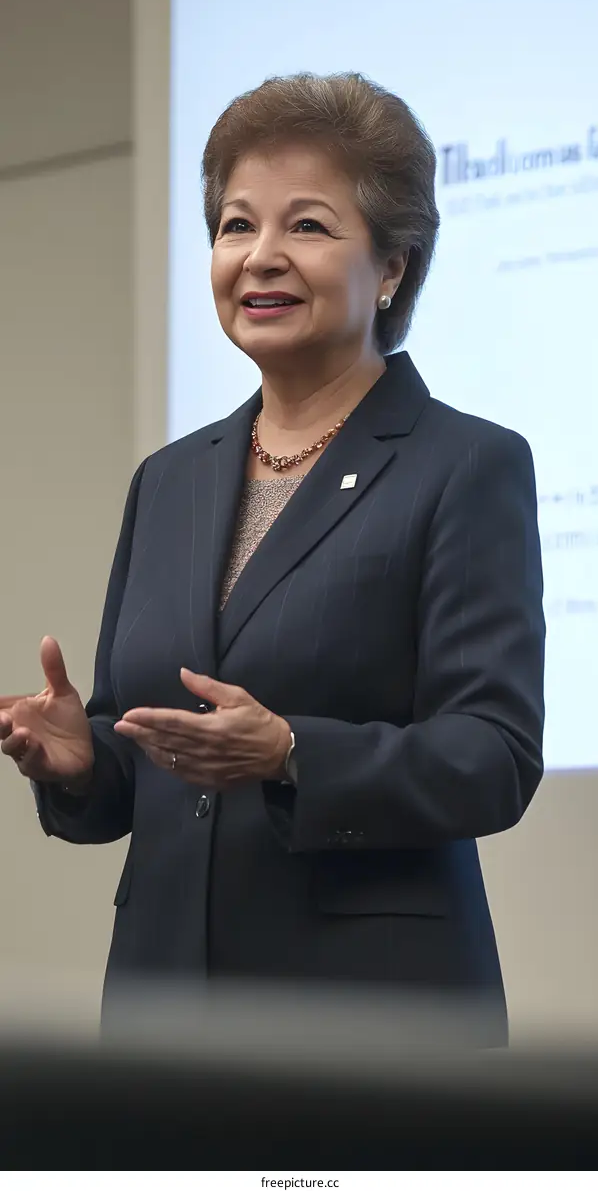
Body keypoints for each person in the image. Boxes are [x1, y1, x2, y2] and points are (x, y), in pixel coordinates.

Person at [0, 73, 544, 1044]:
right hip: (164, 1009)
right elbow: (154, 764)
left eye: (306, 226)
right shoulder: (169, 478)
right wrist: (87, 762)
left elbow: (493, 755)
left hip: (372, 1017)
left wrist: (293, 752)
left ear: (391, 266)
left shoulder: (465, 463)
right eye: (235, 224)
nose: (259, 256)